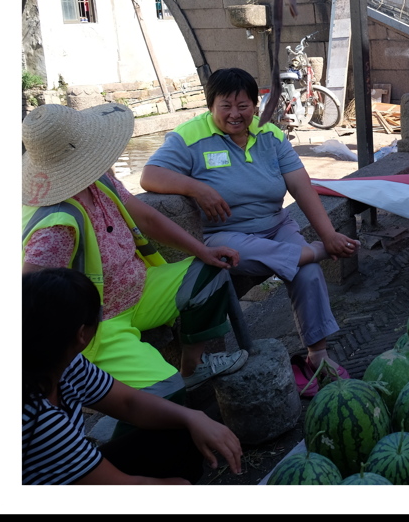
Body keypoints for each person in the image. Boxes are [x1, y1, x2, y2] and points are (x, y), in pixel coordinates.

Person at [139, 68, 359, 396]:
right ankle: (311, 251)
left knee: (309, 272)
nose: (234, 114)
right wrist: (196, 187)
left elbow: (301, 184)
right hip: (224, 233)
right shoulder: (189, 137)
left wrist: (326, 233)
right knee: (249, 254)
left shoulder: (269, 134)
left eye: (243, 105)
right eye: (225, 105)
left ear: (256, 105)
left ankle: (318, 357)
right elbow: (149, 176)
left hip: (276, 225)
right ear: (210, 105)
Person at [22, 103, 248, 400]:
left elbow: (147, 217)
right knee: (167, 393)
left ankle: (193, 367)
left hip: (142, 287)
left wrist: (202, 250)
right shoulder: (55, 227)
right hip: (100, 325)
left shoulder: (99, 182)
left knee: (211, 269)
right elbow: (29, 298)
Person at [22, 268, 243, 484]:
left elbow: (128, 403)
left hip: (70, 470)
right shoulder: (39, 419)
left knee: (179, 430)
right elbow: (121, 486)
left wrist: (193, 417)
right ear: (82, 334)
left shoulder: (61, 361)